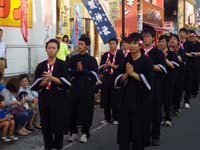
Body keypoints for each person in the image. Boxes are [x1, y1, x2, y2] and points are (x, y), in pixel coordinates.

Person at [115, 32, 154, 150]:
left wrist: (133, 74)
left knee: (138, 138)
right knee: (124, 138)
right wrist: (127, 74)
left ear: (140, 45)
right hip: (126, 102)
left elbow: (149, 85)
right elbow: (117, 81)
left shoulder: (146, 62)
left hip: (141, 103)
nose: (131, 46)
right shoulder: (125, 60)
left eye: (134, 43)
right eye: (129, 43)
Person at [31, 39, 71, 150]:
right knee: (46, 126)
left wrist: (51, 78)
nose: (51, 50)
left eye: (54, 48)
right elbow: (35, 85)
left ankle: (58, 147)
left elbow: (67, 83)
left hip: (59, 100)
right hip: (44, 99)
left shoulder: (62, 65)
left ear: (57, 50)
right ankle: (47, 147)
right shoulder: (41, 66)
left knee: (58, 125)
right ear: (46, 49)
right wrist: (45, 81)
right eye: (49, 47)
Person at [67, 36, 99, 143]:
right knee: (72, 110)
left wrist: (83, 70)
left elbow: (94, 75)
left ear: (87, 46)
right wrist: (77, 70)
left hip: (87, 89)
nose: (79, 46)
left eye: (81, 44)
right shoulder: (73, 58)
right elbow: (68, 72)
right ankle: (73, 132)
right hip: (74, 89)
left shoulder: (91, 60)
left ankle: (85, 133)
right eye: (78, 44)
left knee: (87, 111)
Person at [141, 28, 167, 146]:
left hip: (155, 86)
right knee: (142, 113)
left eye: (147, 36)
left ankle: (155, 135)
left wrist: (149, 64)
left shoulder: (158, 53)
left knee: (155, 112)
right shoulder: (138, 51)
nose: (145, 38)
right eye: (144, 36)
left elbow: (162, 68)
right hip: (139, 86)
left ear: (153, 38)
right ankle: (143, 135)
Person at [99, 37, 124, 125]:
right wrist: (106, 66)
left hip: (115, 78)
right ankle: (107, 117)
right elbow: (101, 67)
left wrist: (111, 65)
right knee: (106, 98)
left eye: (113, 43)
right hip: (106, 78)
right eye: (110, 43)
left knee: (115, 98)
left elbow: (121, 67)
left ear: (117, 44)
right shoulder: (105, 55)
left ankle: (116, 117)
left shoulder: (120, 55)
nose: (111, 45)